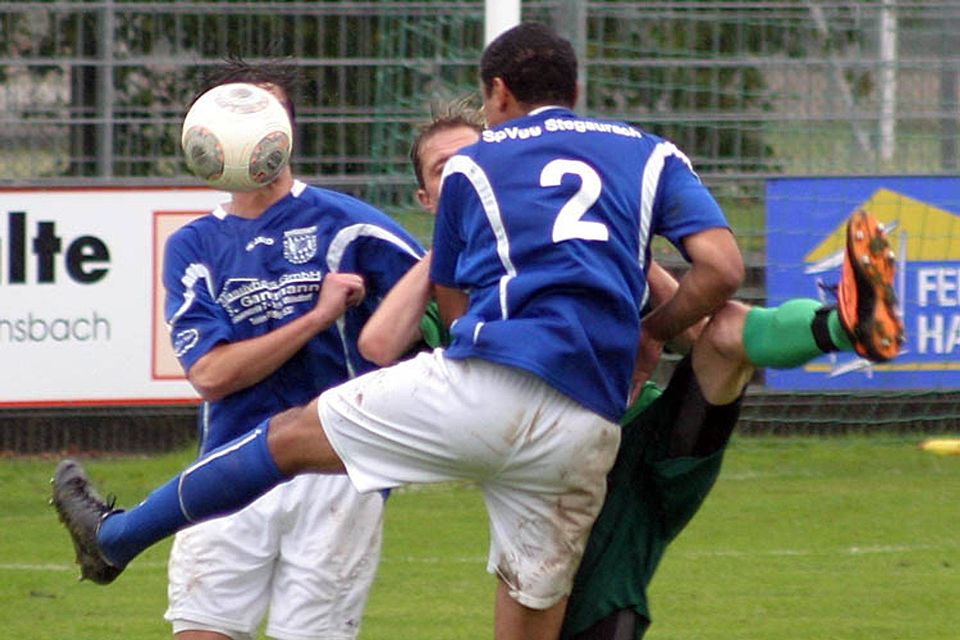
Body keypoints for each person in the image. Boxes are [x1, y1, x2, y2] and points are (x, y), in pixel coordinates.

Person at [48, 23, 844, 640]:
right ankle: (839, 320)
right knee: (534, 617)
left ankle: (116, 539)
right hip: (584, 427)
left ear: (497, 94)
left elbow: (453, 312)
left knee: (287, 436)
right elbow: (721, 276)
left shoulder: (475, 167)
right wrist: (645, 331)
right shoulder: (644, 153)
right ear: (576, 87)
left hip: (487, 387)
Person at [359, 110, 905, 639]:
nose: (465, 170)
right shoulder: (452, 288)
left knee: (726, 331)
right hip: (556, 477)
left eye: (473, 159)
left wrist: (640, 287)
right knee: (578, 599)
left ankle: (846, 323)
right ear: (427, 198)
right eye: (446, 170)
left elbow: (701, 326)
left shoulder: (579, 255)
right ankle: (843, 324)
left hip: (638, 447)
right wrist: (444, 249)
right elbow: (379, 345)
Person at [157, 59, 424, 640]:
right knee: (200, 631)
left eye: (267, 112)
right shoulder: (193, 245)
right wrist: (320, 316)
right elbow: (210, 374)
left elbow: (439, 298)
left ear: (287, 130)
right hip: (228, 464)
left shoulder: (352, 227)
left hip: (336, 471)